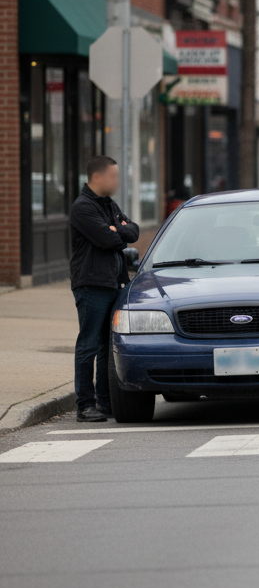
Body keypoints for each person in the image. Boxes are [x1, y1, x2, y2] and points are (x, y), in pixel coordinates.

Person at [69, 156, 139, 422]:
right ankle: (85, 405)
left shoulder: (109, 204)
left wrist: (118, 228)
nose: (117, 182)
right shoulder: (83, 207)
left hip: (114, 281)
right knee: (89, 344)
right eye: (113, 176)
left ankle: (104, 402)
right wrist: (116, 230)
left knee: (106, 346)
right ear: (98, 177)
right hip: (92, 284)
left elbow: (132, 231)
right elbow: (108, 239)